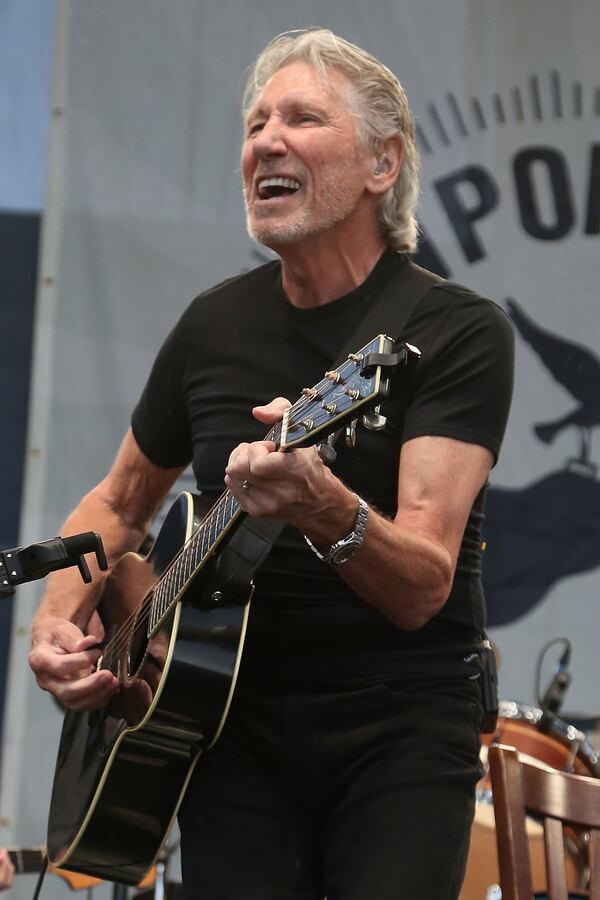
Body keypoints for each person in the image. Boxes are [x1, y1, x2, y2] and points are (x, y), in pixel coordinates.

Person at [29, 28, 514, 900]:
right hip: (226, 727)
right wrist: (58, 623)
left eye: (301, 119)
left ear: (382, 164)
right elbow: (120, 498)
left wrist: (321, 503)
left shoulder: (454, 332)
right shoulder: (211, 326)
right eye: (255, 124)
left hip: (398, 727)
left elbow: (424, 583)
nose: (265, 141)